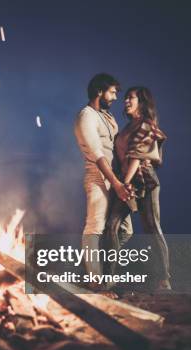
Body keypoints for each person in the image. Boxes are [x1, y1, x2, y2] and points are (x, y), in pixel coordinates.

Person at [104, 87, 171, 291]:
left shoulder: (146, 125)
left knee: (152, 227)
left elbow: (136, 156)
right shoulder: (126, 128)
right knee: (111, 226)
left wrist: (123, 183)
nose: (125, 101)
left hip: (144, 181)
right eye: (125, 98)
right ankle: (109, 278)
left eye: (130, 97)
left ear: (141, 102)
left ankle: (164, 279)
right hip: (126, 182)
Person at [73, 73, 133, 292]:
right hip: (98, 177)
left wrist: (124, 180)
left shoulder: (107, 117)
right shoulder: (86, 116)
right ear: (100, 91)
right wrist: (116, 183)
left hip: (115, 178)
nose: (116, 97)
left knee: (125, 230)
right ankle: (95, 280)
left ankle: (107, 272)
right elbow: (98, 156)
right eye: (113, 92)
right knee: (94, 226)